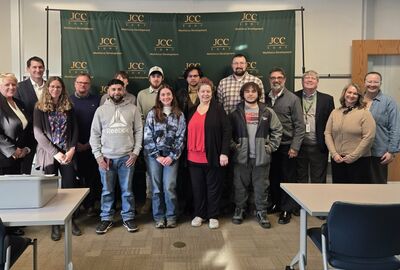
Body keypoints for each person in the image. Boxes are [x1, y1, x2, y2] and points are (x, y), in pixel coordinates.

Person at [90, 78, 142, 234]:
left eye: (119, 89)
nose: (116, 92)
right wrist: (99, 157)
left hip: (127, 157)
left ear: (124, 90)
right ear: (108, 91)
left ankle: (128, 217)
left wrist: (135, 152)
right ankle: (106, 218)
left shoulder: (133, 109)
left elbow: (139, 131)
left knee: (127, 190)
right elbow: (94, 134)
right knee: (107, 191)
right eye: (113, 89)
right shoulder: (101, 110)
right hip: (106, 158)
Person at [33, 76, 82, 241]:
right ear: (48, 88)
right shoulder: (39, 108)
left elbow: (75, 130)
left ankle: (71, 220)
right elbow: (38, 134)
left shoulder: (69, 106)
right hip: (49, 154)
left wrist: (72, 149)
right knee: (50, 190)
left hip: (67, 152)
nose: (55, 89)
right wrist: (56, 153)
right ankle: (54, 225)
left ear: (63, 89)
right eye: (52, 86)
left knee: (69, 188)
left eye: (59, 87)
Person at [230, 82, 282, 229]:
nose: (250, 94)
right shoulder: (235, 113)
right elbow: (227, 133)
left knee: (261, 186)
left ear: (258, 93)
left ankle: (261, 211)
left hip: (261, 157)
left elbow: (278, 130)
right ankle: (240, 209)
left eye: (253, 91)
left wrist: (270, 147)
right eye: (247, 91)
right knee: (240, 186)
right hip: (242, 157)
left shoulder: (267, 111)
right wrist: (235, 147)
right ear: (243, 94)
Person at [187, 78, 231, 229]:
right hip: (193, 157)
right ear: (197, 93)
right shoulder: (192, 110)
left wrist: (224, 152)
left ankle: (213, 215)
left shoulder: (218, 109)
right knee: (197, 188)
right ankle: (200, 214)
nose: (205, 94)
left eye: (208, 91)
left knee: (213, 187)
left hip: (211, 155)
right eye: (202, 91)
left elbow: (227, 131)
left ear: (212, 93)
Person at [265, 67, 305, 225]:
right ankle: (276, 203)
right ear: (269, 80)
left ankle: (287, 209)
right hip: (270, 145)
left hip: (287, 146)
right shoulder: (265, 98)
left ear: (285, 80)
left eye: (279, 77)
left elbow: (300, 126)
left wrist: (295, 147)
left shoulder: (293, 99)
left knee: (288, 178)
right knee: (273, 177)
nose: (276, 80)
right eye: (273, 78)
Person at [143, 84, 186, 228]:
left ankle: (171, 216)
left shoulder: (179, 114)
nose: (166, 97)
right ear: (159, 97)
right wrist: (157, 156)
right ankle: (159, 217)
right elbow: (147, 137)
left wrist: (172, 156)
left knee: (169, 187)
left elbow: (181, 138)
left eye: (168, 94)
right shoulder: (152, 113)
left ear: (172, 96)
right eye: (163, 95)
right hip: (155, 157)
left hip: (171, 157)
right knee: (156, 188)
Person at [324, 83, 376, 183]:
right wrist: (334, 154)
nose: (351, 95)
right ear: (344, 94)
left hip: (359, 160)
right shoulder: (335, 112)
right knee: (340, 192)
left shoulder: (365, 113)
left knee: (358, 194)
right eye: (349, 92)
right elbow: (328, 133)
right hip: (338, 160)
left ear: (359, 97)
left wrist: (353, 156)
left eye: (355, 94)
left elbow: (369, 137)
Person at [70, 73, 101, 216]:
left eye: (86, 83)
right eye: (80, 82)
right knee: (73, 178)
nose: (83, 85)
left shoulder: (97, 100)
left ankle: (90, 206)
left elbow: (102, 124)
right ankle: (75, 209)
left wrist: (89, 144)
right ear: (75, 84)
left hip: (92, 146)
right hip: (72, 147)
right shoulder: (67, 100)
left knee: (91, 178)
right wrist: (74, 144)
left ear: (89, 85)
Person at [295, 70, 334, 183]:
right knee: (300, 178)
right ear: (302, 82)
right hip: (299, 146)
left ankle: (318, 200)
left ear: (317, 82)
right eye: (307, 78)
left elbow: (331, 123)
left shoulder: (327, 99)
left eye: (313, 78)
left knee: (319, 179)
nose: (310, 80)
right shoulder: (293, 97)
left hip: (319, 146)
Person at [136, 66, 164, 214]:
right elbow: (139, 117)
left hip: (166, 141)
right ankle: (150, 198)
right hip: (149, 140)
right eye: (153, 76)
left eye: (158, 76)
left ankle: (164, 201)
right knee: (150, 171)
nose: (156, 78)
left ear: (162, 78)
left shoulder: (167, 93)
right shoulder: (142, 94)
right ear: (149, 78)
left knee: (167, 172)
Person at [363, 71, 400, 183]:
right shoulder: (357, 100)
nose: (372, 84)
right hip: (358, 152)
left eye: (376, 82)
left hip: (379, 152)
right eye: (369, 81)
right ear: (364, 83)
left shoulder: (389, 102)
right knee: (359, 186)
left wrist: (391, 151)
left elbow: (395, 127)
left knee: (377, 186)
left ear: (380, 83)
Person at [15, 56, 46, 174]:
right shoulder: (19, 87)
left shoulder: (50, 86)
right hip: (27, 135)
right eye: (34, 67)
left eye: (40, 67)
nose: (38, 70)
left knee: (49, 170)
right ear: (28, 69)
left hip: (48, 135)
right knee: (24, 170)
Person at [0, 73, 30, 175]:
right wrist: (12, 150)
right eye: (7, 84)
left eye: (14, 84)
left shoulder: (20, 103)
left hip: (20, 158)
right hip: (3, 159)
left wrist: (26, 149)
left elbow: (26, 128)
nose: (11, 87)